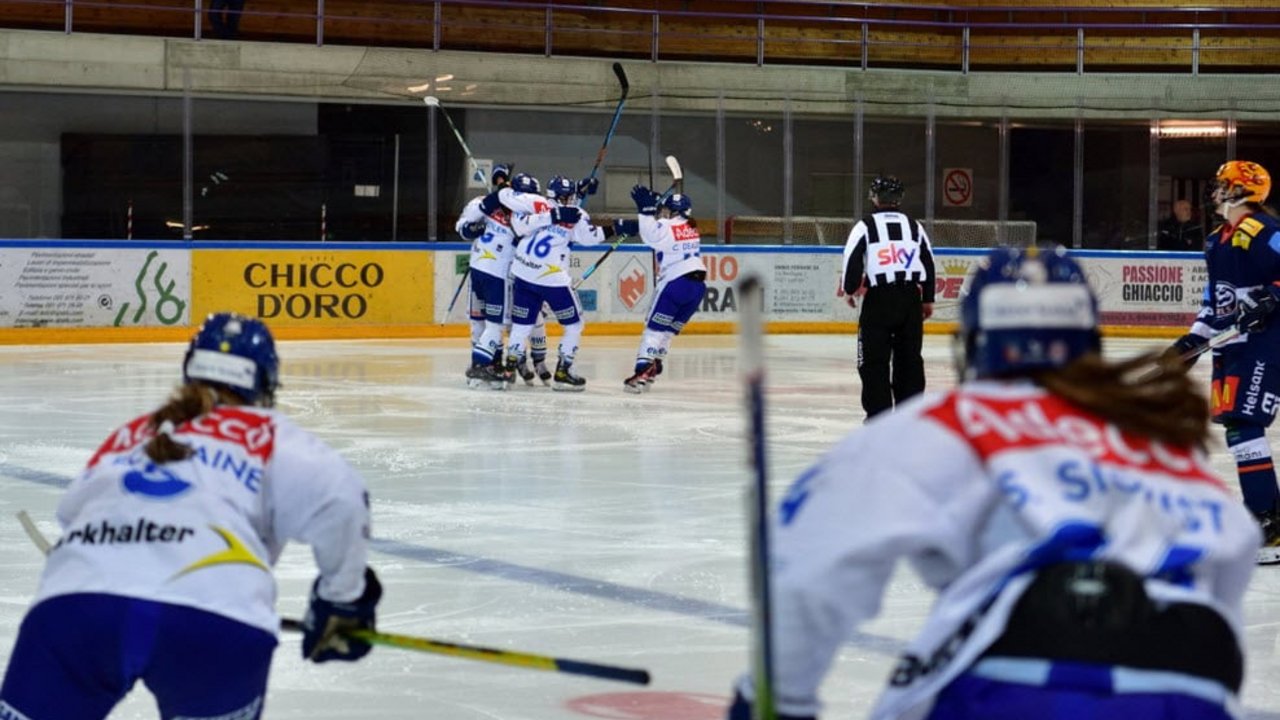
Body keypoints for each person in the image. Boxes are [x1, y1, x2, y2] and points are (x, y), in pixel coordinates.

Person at [728, 246, 1259, 720]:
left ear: (976, 340)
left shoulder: (947, 421)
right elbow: (1233, 553)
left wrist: (777, 698)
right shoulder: (1153, 442)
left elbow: (815, 565)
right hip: (1195, 686)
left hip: (1018, 682)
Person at [0, 312, 380, 720]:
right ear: (264, 384)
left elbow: (72, 511)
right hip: (214, 620)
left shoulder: (135, 433)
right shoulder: (267, 432)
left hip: (77, 609)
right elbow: (342, 501)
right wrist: (341, 602)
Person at [1169, 159, 1280, 564]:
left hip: (1265, 343)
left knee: (1245, 422)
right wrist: (1191, 340)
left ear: (1239, 191)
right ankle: (1265, 519)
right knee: (1237, 426)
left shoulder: (1264, 232)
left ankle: (1268, 525)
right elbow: (1216, 302)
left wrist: (1273, 296)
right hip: (1231, 346)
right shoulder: (1217, 240)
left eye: (1221, 184)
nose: (1213, 191)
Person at [504, 175, 625, 391]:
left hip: (522, 272)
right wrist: (615, 228)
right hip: (551, 278)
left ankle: (509, 367)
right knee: (574, 324)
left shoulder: (537, 204)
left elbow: (521, 225)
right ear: (563, 198)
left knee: (522, 325)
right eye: (568, 197)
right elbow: (590, 238)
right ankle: (564, 371)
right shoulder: (576, 214)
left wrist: (580, 190)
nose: (571, 200)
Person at [839, 174, 936, 419]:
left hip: (879, 301)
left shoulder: (865, 226)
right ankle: (909, 418)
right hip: (910, 301)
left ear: (873, 197)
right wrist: (928, 299)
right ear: (900, 199)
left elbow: (852, 259)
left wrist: (850, 289)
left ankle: (879, 419)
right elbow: (929, 262)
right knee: (910, 361)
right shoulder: (915, 226)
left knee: (873, 362)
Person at [621, 185, 706, 393]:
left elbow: (650, 235)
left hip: (675, 284)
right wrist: (655, 210)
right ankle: (655, 364)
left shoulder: (666, 226)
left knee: (653, 330)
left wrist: (646, 210)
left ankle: (642, 370)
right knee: (667, 332)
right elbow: (659, 241)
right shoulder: (692, 228)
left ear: (671, 211)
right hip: (697, 288)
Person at [457, 164, 521, 389]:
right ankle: (480, 366)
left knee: (495, 322)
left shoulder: (518, 207)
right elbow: (463, 228)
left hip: (500, 271)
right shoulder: (480, 203)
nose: (503, 183)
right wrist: (473, 229)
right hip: (486, 271)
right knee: (483, 322)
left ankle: (492, 364)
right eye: (500, 180)